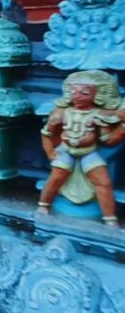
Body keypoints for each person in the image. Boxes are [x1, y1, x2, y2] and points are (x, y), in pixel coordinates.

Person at [38, 70, 123, 227]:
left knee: (103, 182)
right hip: (66, 150)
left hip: (88, 152)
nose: (77, 96)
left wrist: (114, 128)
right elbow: (46, 134)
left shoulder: (99, 114)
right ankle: (44, 205)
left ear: (96, 95)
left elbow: (107, 140)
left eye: (84, 93)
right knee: (56, 177)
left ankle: (109, 218)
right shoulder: (62, 113)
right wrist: (50, 152)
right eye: (73, 92)